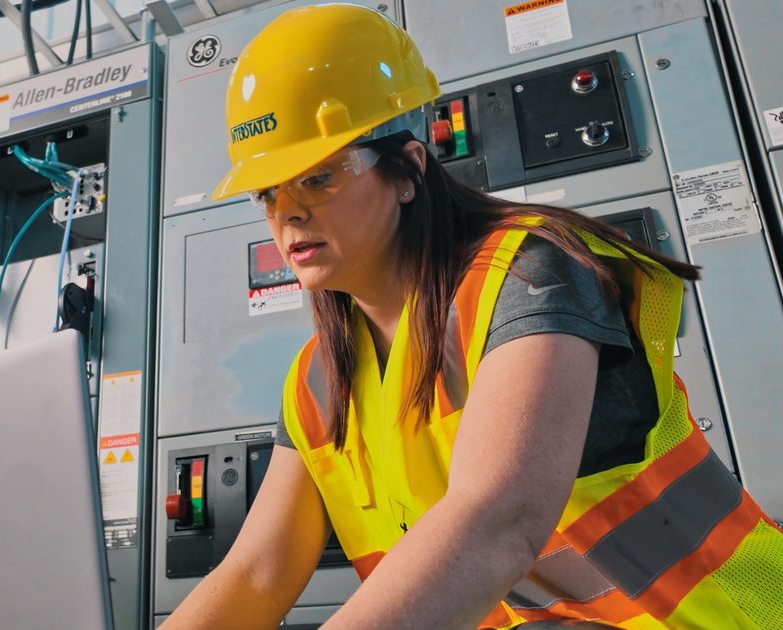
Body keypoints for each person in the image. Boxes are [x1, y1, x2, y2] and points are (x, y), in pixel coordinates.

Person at [163, 5, 783, 629]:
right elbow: (256, 573)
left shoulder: (528, 276)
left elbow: (498, 521)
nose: (287, 213)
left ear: (408, 170)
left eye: (318, 177)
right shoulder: (319, 379)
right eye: (267, 191)